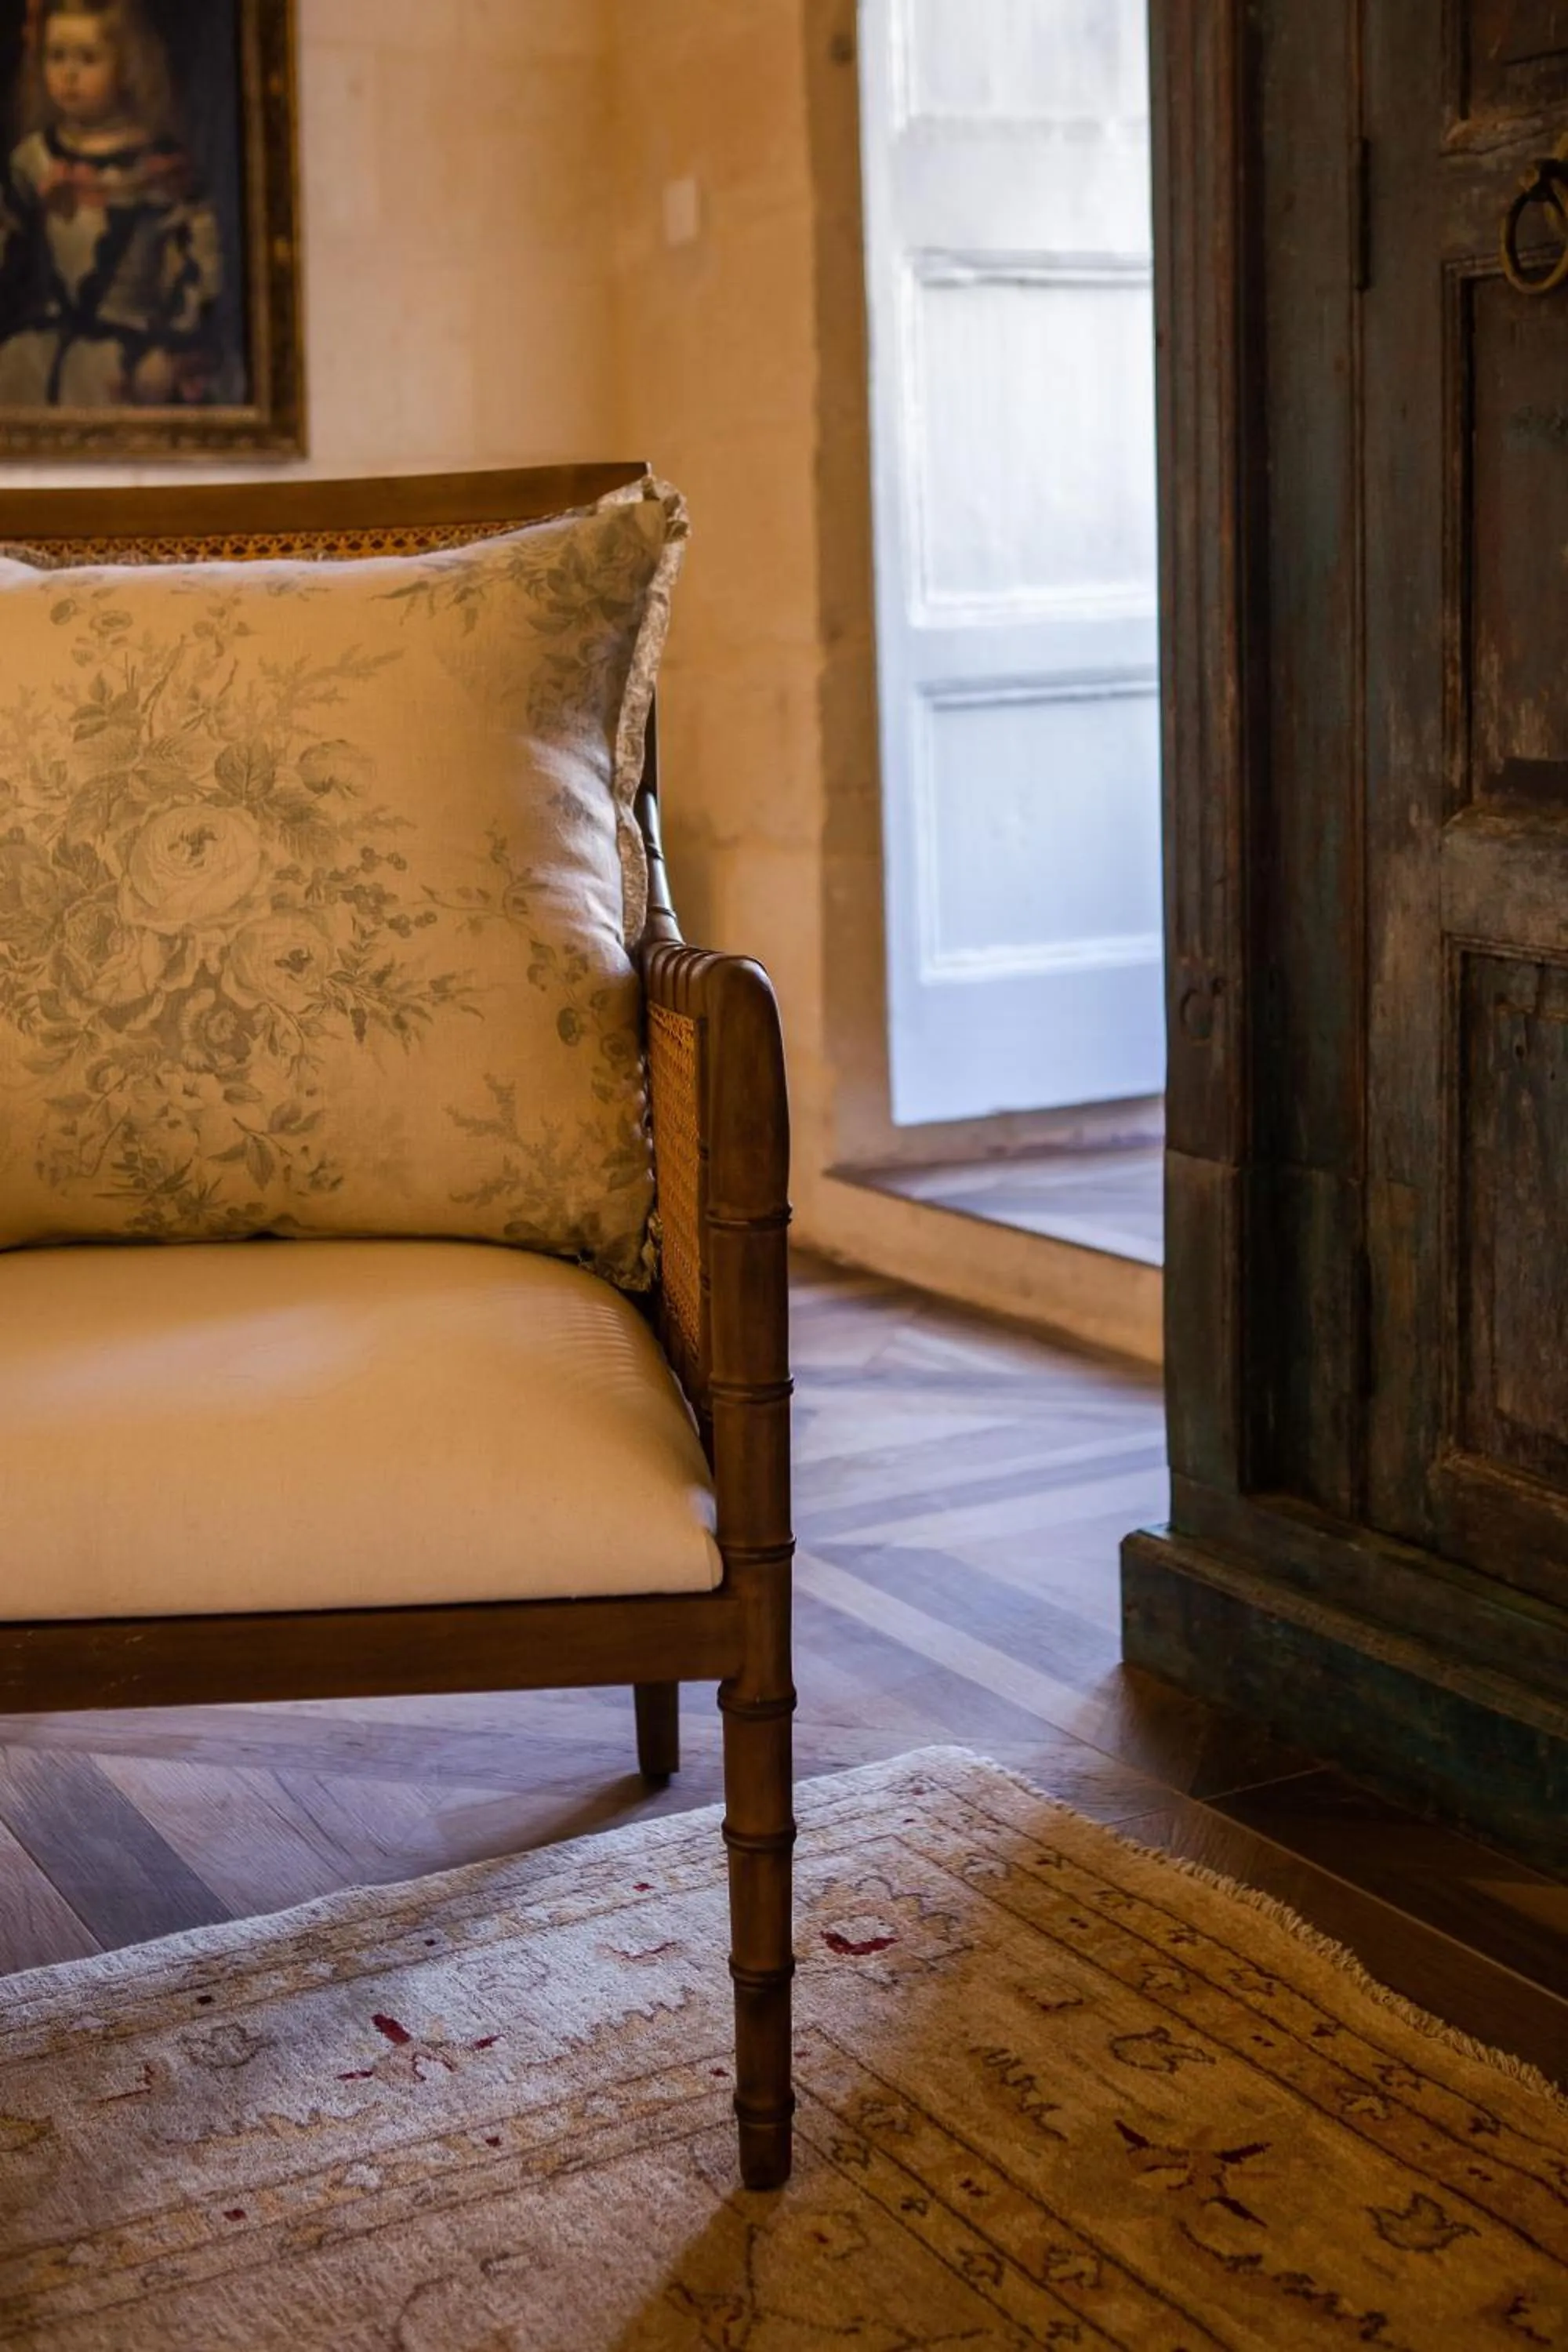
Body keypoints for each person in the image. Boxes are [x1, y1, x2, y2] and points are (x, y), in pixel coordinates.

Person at [0, 0, 223, 408]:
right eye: (56, 57)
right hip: (37, 353)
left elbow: (200, 272)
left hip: (132, 356)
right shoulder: (32, 160)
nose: (68, 74)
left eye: (88, 59)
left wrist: (167, 351)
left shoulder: (163, 167)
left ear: (127, 65)